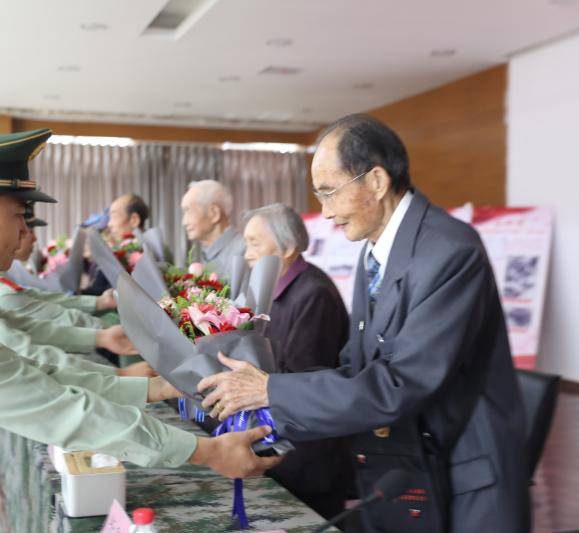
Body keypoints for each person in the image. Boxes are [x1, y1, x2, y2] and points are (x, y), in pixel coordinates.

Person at [0, 129, 280, 532]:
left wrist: (154, 387)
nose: (27, 230)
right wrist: (205, 451)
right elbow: (60, 410)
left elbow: (31, 370)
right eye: (19, 214)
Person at [198, 114, 531, 533]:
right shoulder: (374, 250)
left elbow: (400, 384)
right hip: (401, 464)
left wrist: (271, 390)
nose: (325, 212)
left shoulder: (449, 250)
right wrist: (269, 416)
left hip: (462, 477)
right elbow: (356, 368)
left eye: (330, 192)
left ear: (375, 181)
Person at [241, 203, 353, 520]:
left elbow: (306, 383)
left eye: (254, 243)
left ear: (288, 247)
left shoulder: (313, 294)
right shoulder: (269, 292)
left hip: (309, 458)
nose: (247, 254)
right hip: (280, 446)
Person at [181, 180, 244, 278]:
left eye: (188, 211)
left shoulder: (244, 252)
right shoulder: (205, 255)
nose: (184, 222)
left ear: (214, 213)